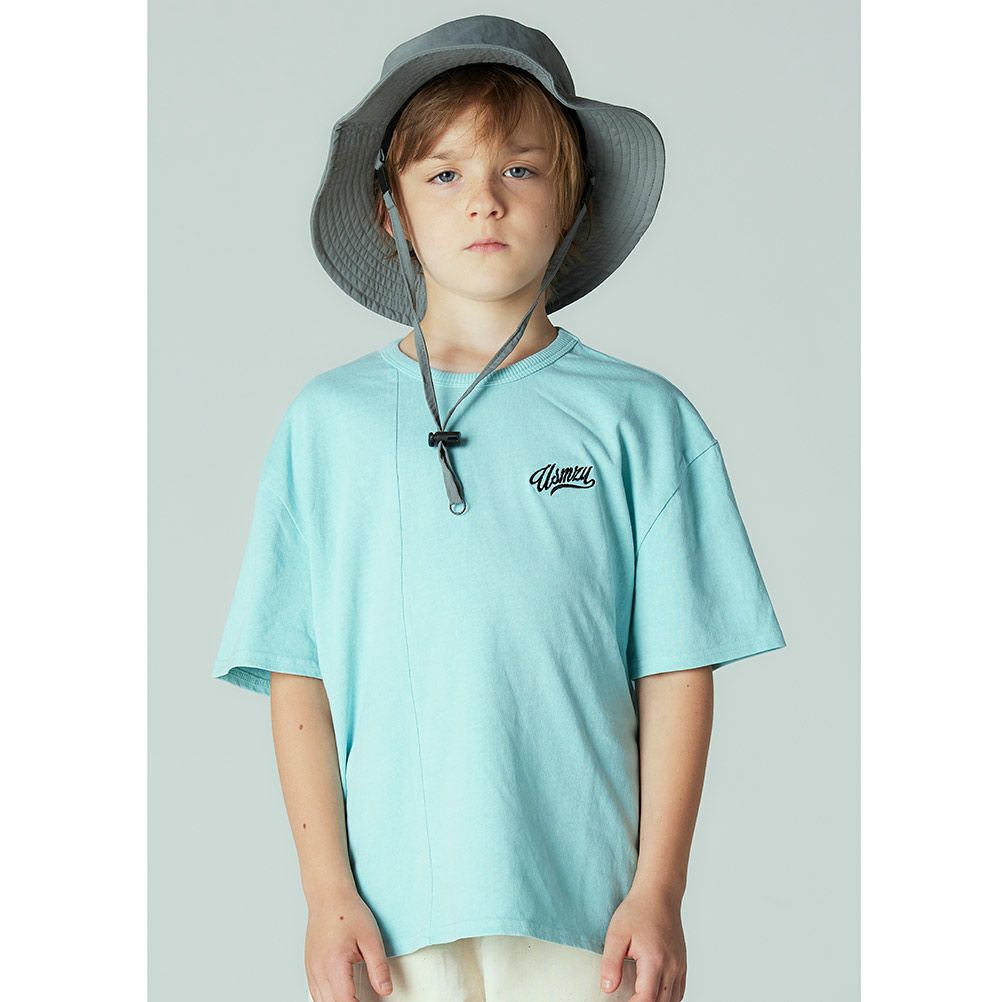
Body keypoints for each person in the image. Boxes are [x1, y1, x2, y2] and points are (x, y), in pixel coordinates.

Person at [212, 15, 787, 1002]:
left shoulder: (642, 420)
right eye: (444, 174)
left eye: (521, 169)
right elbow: (298, 674)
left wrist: (658, 892)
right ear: (390, 211)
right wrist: (326, 895)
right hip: (392, 926)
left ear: (574, 202)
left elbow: (677, 668)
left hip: (587, 918)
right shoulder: (327, 427)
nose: (484, 199)